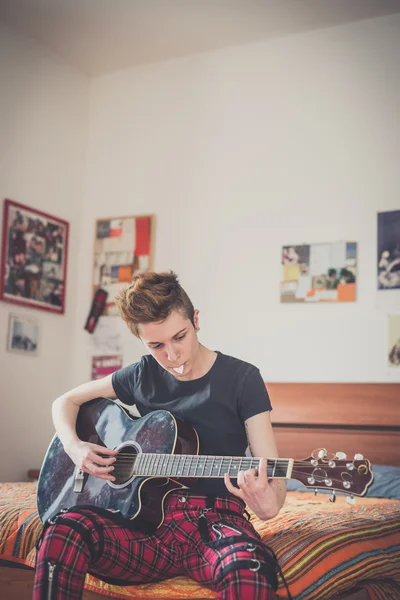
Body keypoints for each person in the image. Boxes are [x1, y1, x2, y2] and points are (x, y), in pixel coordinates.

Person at [33, 271, 287, 600]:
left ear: (196, 320)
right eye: (156, 345)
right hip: (141, 525)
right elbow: (64, 401)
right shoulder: (142, 374)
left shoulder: (243, 379)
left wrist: (269, 504)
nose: (172, 355)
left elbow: (274, 475)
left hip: (216, 521)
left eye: (179, 337)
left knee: (249, 570)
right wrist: (75, 447)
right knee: (62, 531)